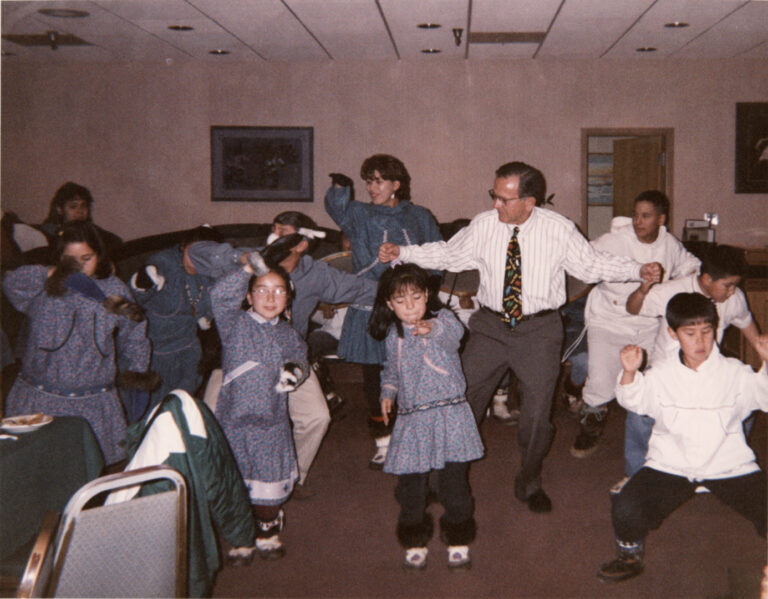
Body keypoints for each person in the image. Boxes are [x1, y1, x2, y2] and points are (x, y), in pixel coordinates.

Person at [379, 161, 662, 512]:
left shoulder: (558, 229)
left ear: (529, 202)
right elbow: (449, 253)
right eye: (493, 196)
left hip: (538, 331)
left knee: (536, 416)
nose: (495, 205)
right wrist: (403, 252)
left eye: (504, 199)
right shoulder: (484, 225)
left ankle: (528, 482)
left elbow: (592, 265)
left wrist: (637, 270)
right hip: (490, 327)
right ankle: (445, 478)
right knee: (459, 400)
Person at [187, 212, 378, 498]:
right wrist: (242, 261)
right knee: (208, 422)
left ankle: (290, 477)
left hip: (289, 357)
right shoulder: (249, 259)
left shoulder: (316, 274)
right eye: (273, 228)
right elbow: (194, 252)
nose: (274, 234)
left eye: (283, 230)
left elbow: (362, 289)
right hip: (238, 361)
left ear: (302, 243)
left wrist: (408, 291)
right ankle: (222, 486)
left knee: (317, 417)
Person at [598, 292, 768, 583]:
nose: (700, 342)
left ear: (716, 330)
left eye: (706, 332)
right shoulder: (661, 373)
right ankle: (629, 555)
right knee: (626, 508)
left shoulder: (735, 372)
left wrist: (766, 363)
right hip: (671, 464)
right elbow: (633, 401)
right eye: (690, 333)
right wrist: (629, 372)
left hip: (728, 464)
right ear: (672, 333)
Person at [325, 155, 443, 469]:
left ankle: (417, 435)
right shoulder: (358, 213)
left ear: (396, 184)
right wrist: (340, 186)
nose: (371, 187)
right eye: (368, 180)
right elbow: (336, 206)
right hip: (372, 304)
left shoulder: (418, 215)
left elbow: (437, 253)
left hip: (409, 305)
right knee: (375, 376)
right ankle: (383, 440)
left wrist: (425, 295)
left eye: (378, 180)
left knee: (414, 373)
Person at [2, 221, 150, 464]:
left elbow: (135, 334)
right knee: (41, 472)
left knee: (86, 474)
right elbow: (10, 283)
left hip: (93, 404)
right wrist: (52, 272)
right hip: (40, 402)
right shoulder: (42, 286)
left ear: (99, 256)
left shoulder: (113, 289)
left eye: (86, 258)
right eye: (71, 259)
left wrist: (138, 374)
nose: (79, 266)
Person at [368, 263, 484, 570]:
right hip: (412, 420)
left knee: (453, 484)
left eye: (416, 298)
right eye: (401, 301)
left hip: (450, 414)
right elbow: (391, 369)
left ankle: (458, 538)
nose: (410, 307)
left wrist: (433, 330)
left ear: (427, 296)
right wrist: (387, 392)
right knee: (411, 486)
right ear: (389, 304)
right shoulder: (393, 336)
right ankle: (414, 539)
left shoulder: (443, 319)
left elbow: (455, 336)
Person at [570, 191, 700, 459]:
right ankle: (590, 429)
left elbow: (691, 266)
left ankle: (647, 436)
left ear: (661, 219)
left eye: (646, 216)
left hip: (647, 322)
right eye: (635, 215)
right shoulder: (614, 240)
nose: (638, 221)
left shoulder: (669, 243)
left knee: (652, 379)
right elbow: (582, 259)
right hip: (609, 318)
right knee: (601, 380)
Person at [621, 243, 764, 478]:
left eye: (735, 285)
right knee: (640, 416)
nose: (732, 291)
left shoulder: (734, 298)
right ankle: (635, 475)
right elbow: (633, 308)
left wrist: (762, 351)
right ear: (706, 279)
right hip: (668, 373)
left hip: (711, 372)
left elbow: (746, 322)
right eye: (727, 285)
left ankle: (727, 467)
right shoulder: (670, 291)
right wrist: (642, 290)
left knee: (745, 405)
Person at [209, 251, 308, 559]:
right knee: (235, 480)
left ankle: (267, 527)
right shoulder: (233, 324)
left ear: (288, 298)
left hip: (271, 422)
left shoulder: (287, 333)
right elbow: (220, 295)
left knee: (268, 481)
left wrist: (295, 372)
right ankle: (239, 534)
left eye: (279, 291)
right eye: (262, 289)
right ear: (249, 296)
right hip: (233, 420)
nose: (270, 297)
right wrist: (248, 269)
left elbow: (300, 357)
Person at [130, 226, 221, 415]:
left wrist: (205, 315)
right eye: (192, 254)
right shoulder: (165, 263)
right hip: (155, 352)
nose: (196, 263)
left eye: (204, 257)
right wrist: (145, 281)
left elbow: (211, 294)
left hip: (189, 348)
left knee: (181, 407)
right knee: (149, 411)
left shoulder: (208, 274)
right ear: (182, 247)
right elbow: (142, 286)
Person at [39, 182, 123, 253]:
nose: (80, 211)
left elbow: (117, 243)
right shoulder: (47, 234)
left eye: (84, 206)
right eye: (73, 206)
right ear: (59, 209)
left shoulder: (94, 231)